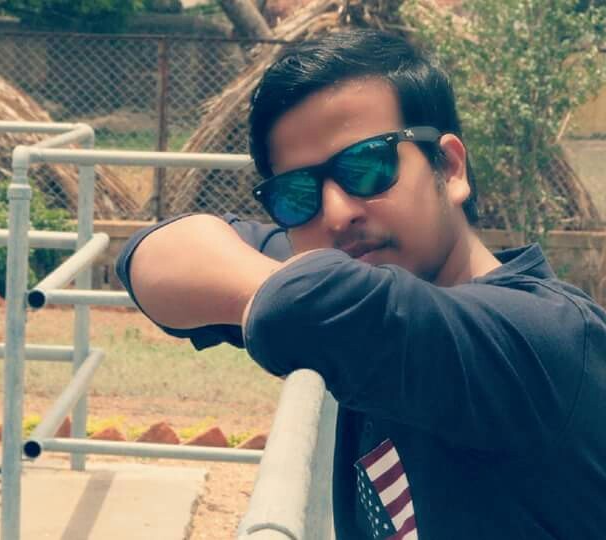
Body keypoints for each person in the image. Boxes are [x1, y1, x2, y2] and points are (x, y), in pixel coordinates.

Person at [115, 30, 606, 539]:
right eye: (296, 194)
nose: (336, 213)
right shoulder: (350, 280)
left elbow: (317, 303)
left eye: (369, 166)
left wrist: (301, 294)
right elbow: (152, 254)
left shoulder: (544, 340)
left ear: (450, 168)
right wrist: (303, 289)